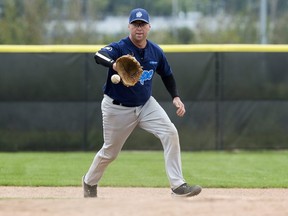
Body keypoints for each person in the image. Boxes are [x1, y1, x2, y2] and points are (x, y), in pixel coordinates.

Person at [82, 8, 202, 197]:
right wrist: (114, 64)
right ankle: (89, 182)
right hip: (117, 108)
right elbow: (98, 55)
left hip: (146, 105)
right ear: (129, 26)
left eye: (143, 24)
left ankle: (178, 186)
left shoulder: (156, 52)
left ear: (149, 27)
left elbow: (167, 75)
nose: (139, 28)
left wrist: (176, 97)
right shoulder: (120, 47)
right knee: (110, 153)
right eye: (136, 24)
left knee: (170, 133)